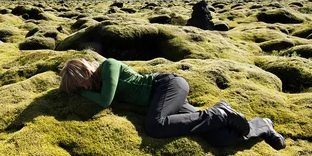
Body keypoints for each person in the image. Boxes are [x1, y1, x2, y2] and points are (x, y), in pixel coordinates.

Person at [60, 57, 286, 150]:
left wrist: (81, 95)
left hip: (168, 86)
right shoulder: (97, 85)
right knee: (221, 139)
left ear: (87, 69)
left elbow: (105, 101)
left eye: (83, 82)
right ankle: (262, 125)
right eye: (80, 87)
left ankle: (221, 112)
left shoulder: (108, 66)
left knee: (155, 126)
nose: (86, 88)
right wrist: (76, 88)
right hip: (163, 102)